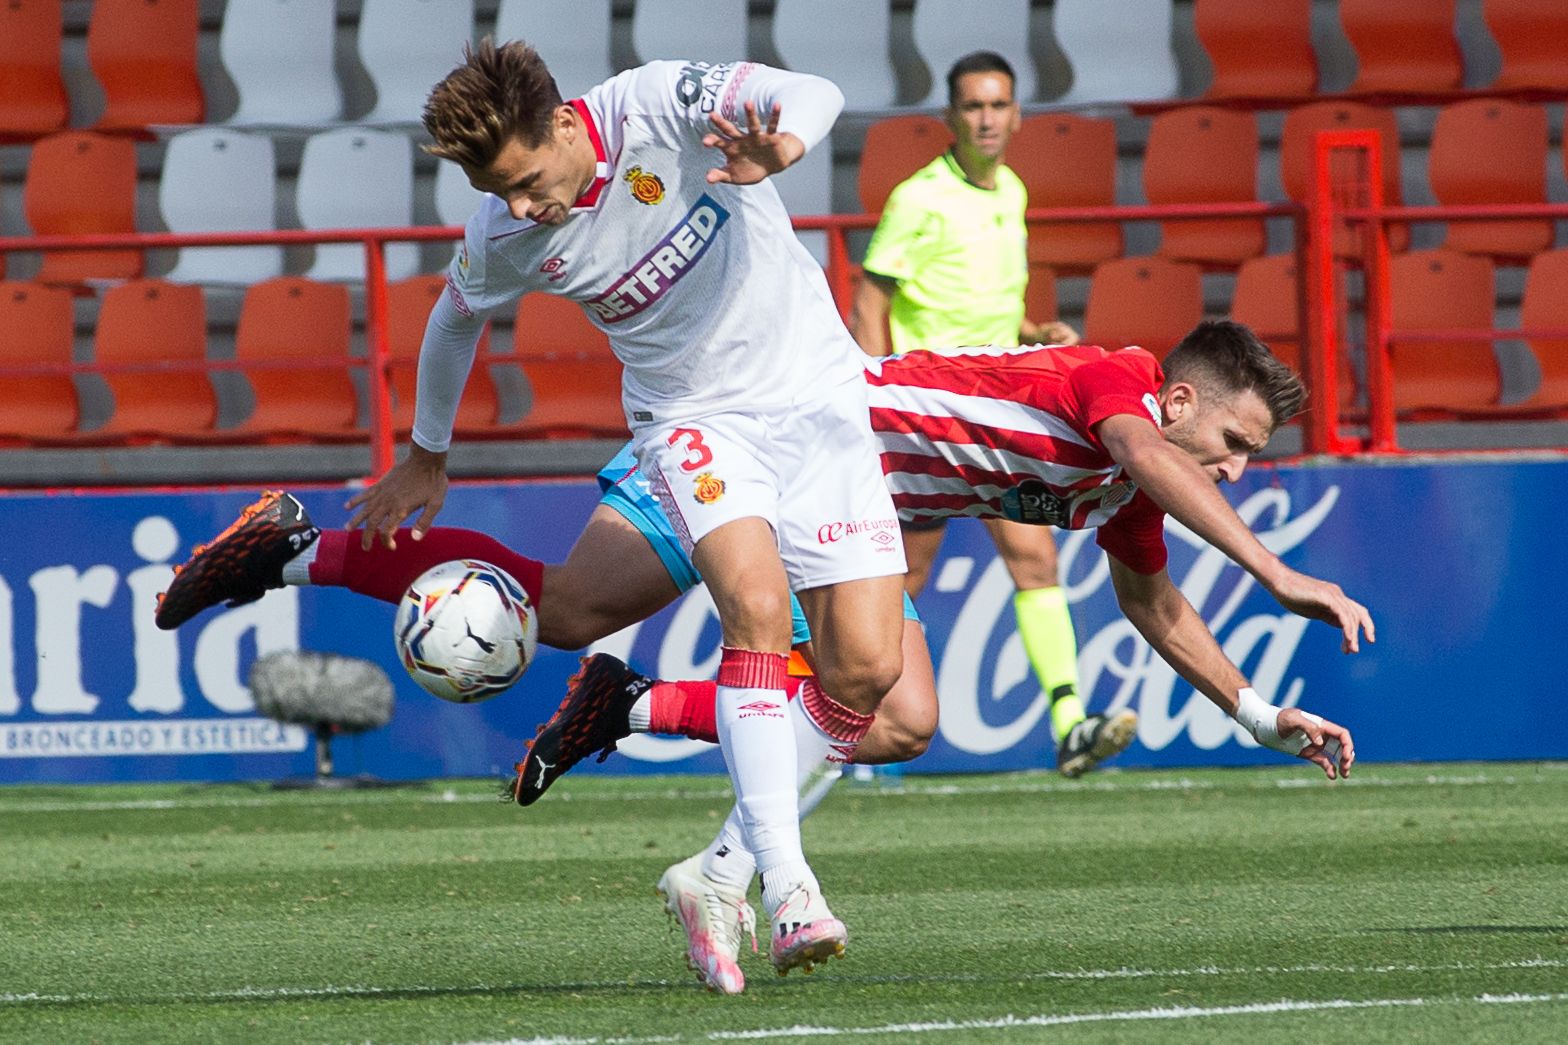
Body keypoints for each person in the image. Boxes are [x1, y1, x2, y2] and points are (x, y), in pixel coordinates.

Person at [156, 320, 1372, 994]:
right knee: (578, 612)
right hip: (772, 446)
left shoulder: (1126, 484)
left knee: (890, 713)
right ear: (1172, 401)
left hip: (834, 514)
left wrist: (1262, 713)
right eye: (1233, 438)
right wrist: (1273, 568)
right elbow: (1150, 462)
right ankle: (309, 554)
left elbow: (1155, 609)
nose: (1237, 467)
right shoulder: (1107, 380)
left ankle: (671, 787)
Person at [336, 39, 912, 974]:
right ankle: (793, 886)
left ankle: (715, 875)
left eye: (525, 180)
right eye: (499, 192)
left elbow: (818, 86)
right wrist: (425, 456)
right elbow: (452, 318)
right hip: (694, 422)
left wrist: (789, 146)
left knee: (868, 673)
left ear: (566, 124)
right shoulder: (504, 231)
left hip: (820, 398)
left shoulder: (656, 105)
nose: (520, 208)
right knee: (758, 611)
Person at [850, 51, 1101, 770]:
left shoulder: (1012, 191)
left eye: (998, 105)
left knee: (1034, 558)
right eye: (974, 106)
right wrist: (878, 401)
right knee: (898, 578)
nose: (987, 118)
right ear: (951, 117)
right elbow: (872, 304)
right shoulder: (918, 197)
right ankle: (857, 728)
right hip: (928, 418)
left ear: (1017, 114)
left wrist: (1033, 332)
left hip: (1000, 410)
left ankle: (1071, 721)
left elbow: (989, 301)